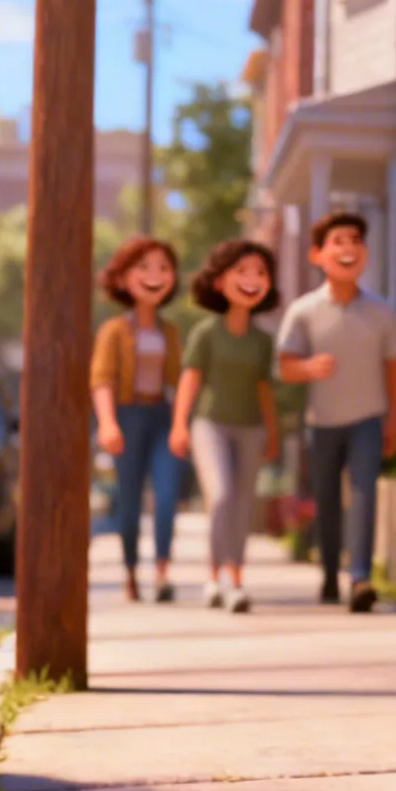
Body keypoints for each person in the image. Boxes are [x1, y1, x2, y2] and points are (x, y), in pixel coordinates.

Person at [277, 212, 396, 612]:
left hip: (368, 419)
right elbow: (283, 366)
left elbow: (395, 368)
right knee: (328, 502)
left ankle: (360, 577)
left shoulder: (383, 313)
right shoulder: (303, 310)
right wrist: (309, 368)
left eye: (356, 240)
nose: (348, 248)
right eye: (338, 241)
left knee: (365, 494)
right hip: (322, 424)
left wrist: (395, 418)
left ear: (364, 253)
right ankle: (331, 573)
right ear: (318, 254)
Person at [171, 240, 281, 613]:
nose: (252, 279)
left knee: (243, 503)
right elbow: (190, 379)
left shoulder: (263, 340)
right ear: (219, 282)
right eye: (242, 271)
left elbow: (264, 388)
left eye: (260, 273)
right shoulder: (206, 333)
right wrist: (179, 426)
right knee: (220, 497)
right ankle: (220, 575)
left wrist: (272, 430)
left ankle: (233, 577)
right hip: (209, 425)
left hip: (250, 426)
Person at [90, 237, 183, 603]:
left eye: (163, 268)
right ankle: (130, 571)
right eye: (144, 268)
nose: (154, 276)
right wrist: (108, 423)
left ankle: (162, 572)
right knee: (128, 501)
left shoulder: (170, 331)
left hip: (161, 415)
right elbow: (101, 379)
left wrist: (182, 422)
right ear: (124, 277)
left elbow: (180, 380)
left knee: (167, 493)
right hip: (127, 417)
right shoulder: (114, 330)